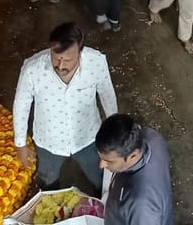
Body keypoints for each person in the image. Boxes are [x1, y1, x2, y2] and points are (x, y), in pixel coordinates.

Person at [13, 23, 117, 191]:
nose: (61, 66)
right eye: (56, 58)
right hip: (49, 141)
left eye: (68, 60)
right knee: (48, 181)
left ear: (80, 52)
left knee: (101, 177)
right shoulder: (32, 70)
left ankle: (102, 203)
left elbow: (107, 95)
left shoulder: (96, 62)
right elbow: (21, 105)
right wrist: (20, 145)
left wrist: (114, 133)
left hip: (88, 137)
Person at [95, 114, 174, 225]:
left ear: (133, 155)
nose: (101, 165)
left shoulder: (142, 205)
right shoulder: (151, 136)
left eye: (109, 161)